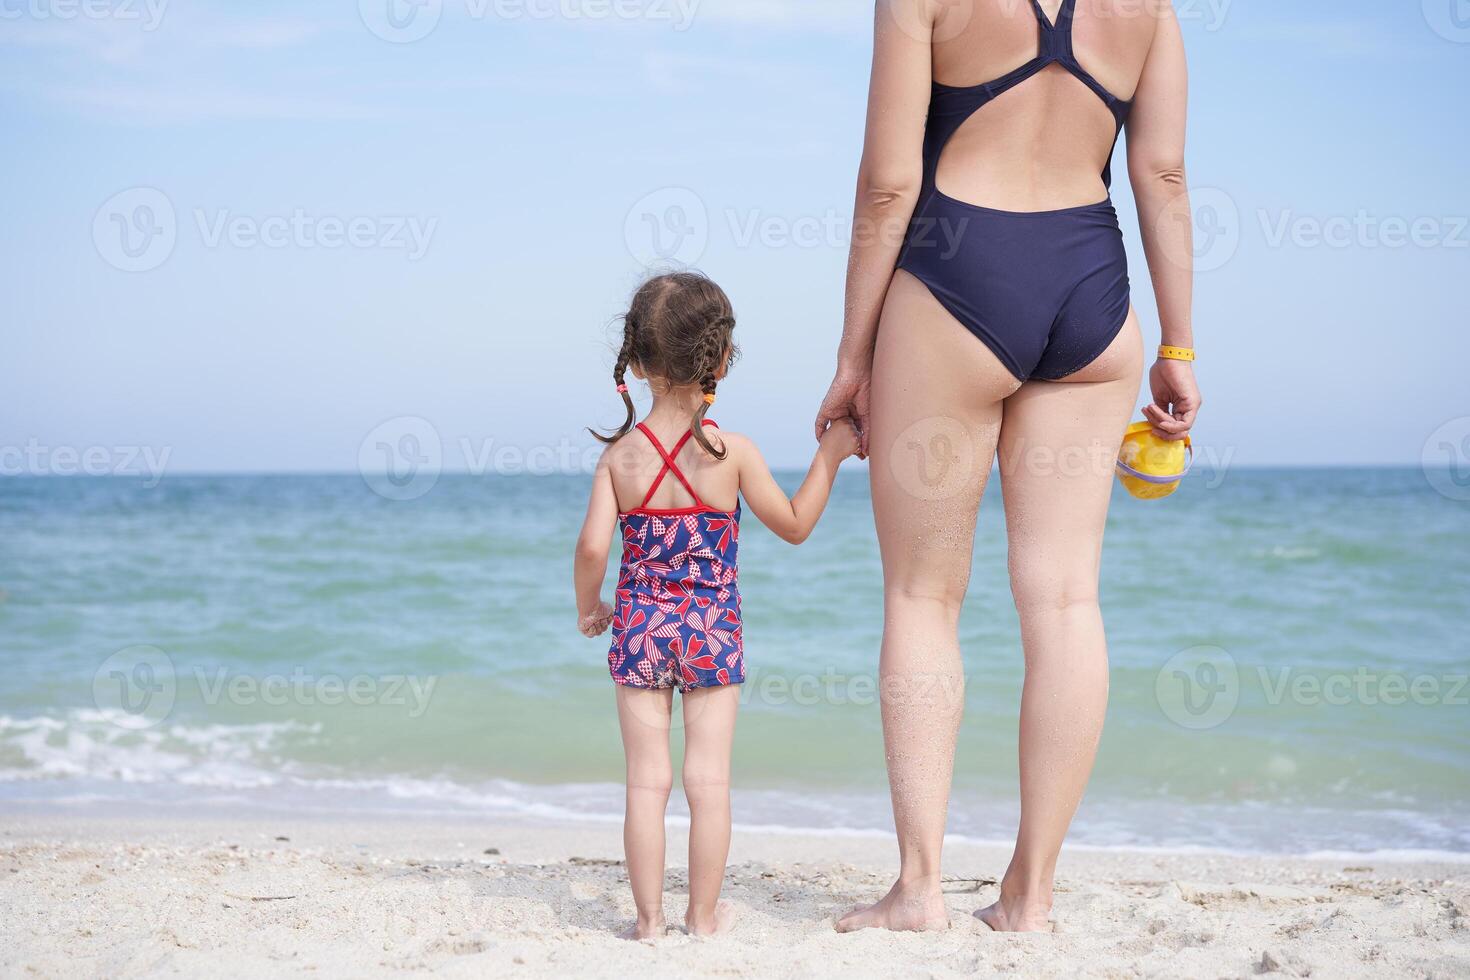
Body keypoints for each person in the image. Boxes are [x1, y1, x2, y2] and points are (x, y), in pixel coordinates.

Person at [814, 0, 1202, 933]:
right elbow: (1162, 174)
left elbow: (887, 184)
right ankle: (1030, 896)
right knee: (1065, 598)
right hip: (1092, 296)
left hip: (955, 278)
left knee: (922, 596)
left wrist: (853, 358)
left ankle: (918, 890)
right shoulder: (1148, 9)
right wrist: (1179, 349)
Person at [575, 271, 861, 939]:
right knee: (709, 783)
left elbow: (592, 550)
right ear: (720, 360)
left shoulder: (619, 459)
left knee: (648, 784)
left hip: (640, 628)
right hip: (712, 631)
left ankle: (647, 924)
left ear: (637, 362)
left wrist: (591, 608)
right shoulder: (735, 454)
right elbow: (793, 524)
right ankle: (702, 919)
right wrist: (832, 453)